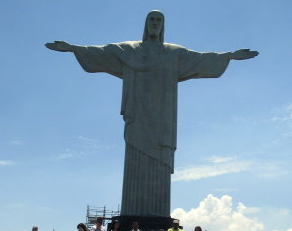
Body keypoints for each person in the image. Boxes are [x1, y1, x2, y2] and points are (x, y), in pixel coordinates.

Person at [46, 11, 258, 218]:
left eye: (159, 20)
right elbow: (103, 52)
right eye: (151, 19)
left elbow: (200, 59)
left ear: (163, 25)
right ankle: (133, 211)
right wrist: (73, 49)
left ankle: (157, 213)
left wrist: (229, 56)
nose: (155, 23)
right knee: (135, 152)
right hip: (137, 115)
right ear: (145, 24)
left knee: (159, 158)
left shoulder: (173, 53)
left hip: (161, 121)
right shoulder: (130, 50)